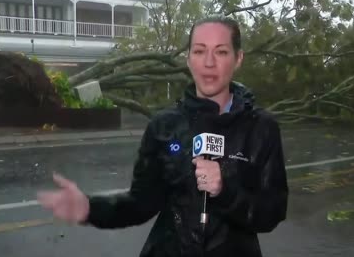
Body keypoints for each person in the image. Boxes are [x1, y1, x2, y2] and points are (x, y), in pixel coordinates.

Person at [37, 15, 289, 257]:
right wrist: (91, 209)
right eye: (199, 51)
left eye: (221, 51)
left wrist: (225, 190)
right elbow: (141, 203)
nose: (209, 62)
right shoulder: (164, 126)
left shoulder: (262, 127)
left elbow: (271, 212)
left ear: (238, 58)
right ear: (188, 59)